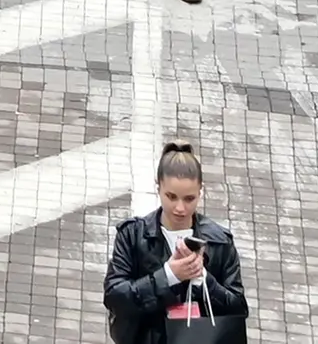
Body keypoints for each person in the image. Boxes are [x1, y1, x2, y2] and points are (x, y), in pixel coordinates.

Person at [103, 140, 248, 342]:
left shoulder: (220, 242)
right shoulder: (132, 235)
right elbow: (114, 297)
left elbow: (238, 308)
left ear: (200, 192)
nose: (180, 208)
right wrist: (168, 276)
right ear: (158, 188)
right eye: (171, 197)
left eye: (189, 199)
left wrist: (205, 281)